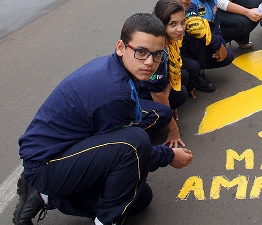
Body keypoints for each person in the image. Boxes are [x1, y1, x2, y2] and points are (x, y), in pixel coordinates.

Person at [15, 13, 193, 225]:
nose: (150, 62)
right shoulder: (114, 93)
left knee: (141, 197)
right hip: (47, 163)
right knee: (135, 143)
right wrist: (168, 156)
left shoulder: (115, 68)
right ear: (121, 47)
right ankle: (105, 221)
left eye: (157, 54)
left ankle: (45, 196)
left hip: (65, 151)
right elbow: (126, 149)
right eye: (141, 52)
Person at [183, 0, 235, 90]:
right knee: (198, 36)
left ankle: (198, 67)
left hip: (207, 40)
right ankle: (197, 75)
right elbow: (197, 30)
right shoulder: (192, 2)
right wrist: (217, 45)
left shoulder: (212, 1)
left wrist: (221, 45)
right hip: (188, 45)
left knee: (227, 55)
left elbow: (216, 27)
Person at [163, 0, 217, 94]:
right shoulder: (161, 15)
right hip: (163, 60)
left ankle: (196, 77)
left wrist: (219, 45)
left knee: (194, 65)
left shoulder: (187, 12)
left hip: (178, 53)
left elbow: (207, 28)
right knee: (184, 76)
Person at [143, 0, 191, 130]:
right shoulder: (157, 52)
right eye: (173, 24)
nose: (180, 29)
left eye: (183, 22)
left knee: (181, 90)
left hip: (150, 84)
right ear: (161, 24)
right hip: (135, 93)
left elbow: (171, 72)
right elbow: (156, 93)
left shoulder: (169, 39)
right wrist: (173, 127)